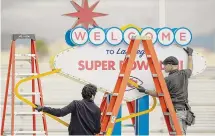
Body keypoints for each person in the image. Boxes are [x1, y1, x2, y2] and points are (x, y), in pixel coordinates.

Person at [132, 47, 195, 135]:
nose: (164, 67)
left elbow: (159, 94)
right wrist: (190, 55)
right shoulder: (184, 74)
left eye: (165, 65)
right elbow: (190, 68)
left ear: (171, 65)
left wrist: (144, 90)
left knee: (179, 134)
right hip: (185, 111)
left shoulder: (168, 79)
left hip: (176, 111)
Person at [34, 84, 101, 135]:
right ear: (92, 96)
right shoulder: (97, 110)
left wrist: (43, 108)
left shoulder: (75, 104)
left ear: (82, 94)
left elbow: (60, 112)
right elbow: (97, 130)